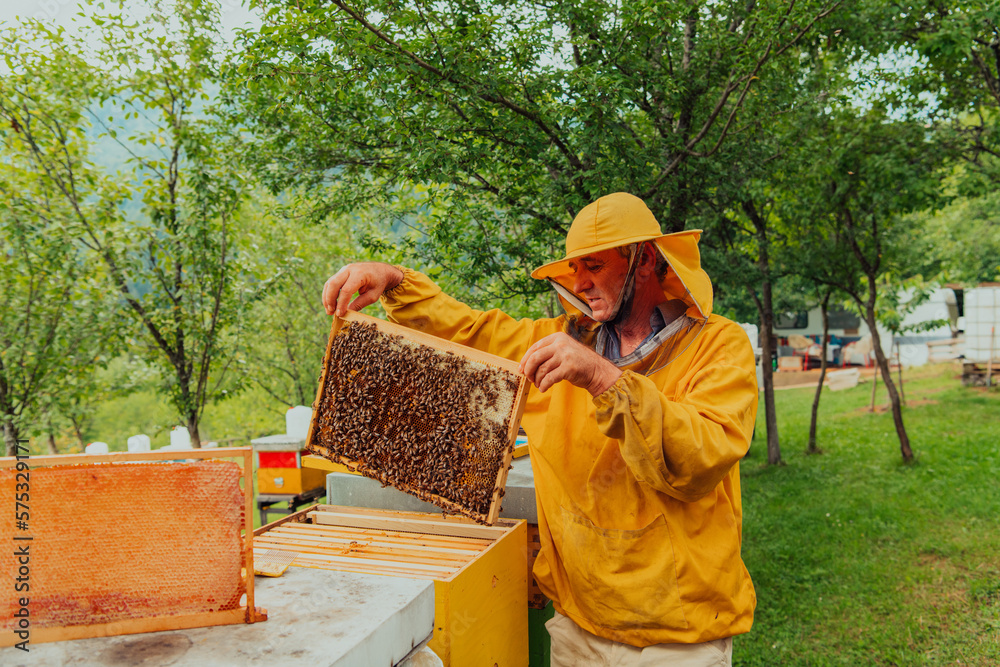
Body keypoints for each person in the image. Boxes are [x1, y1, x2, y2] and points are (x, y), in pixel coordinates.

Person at [322, 192, 757, 666]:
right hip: (577, 625)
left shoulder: (717, 346)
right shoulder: (559, 342)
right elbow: (470, 334)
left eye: (594, 265)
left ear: (645, 259)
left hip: (677, 639)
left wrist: (599, 376)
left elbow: (701, 455)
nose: (581, 281)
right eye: (575, 269)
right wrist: (395, 282)